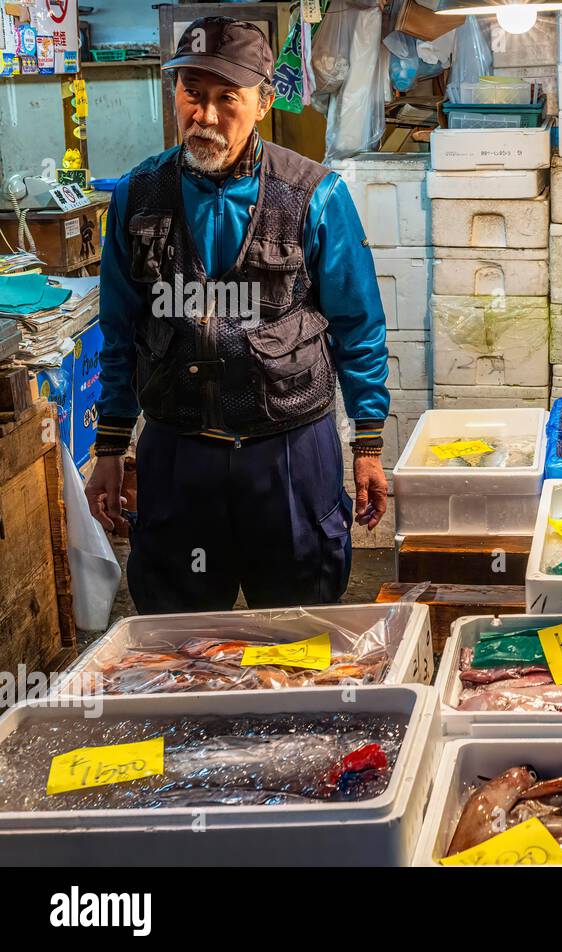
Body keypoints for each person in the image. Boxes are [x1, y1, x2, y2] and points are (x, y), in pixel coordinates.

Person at [85, 16, 390, 614]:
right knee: (178, 641)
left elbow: (358, 325)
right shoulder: (136, 195)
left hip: (288, 454)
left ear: (263, 100)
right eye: (191, 94)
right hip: (178, 453)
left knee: (301, 629)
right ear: (173, 92)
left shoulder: (313, 195)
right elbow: (119, 332)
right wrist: (109, 449)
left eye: (228, 98)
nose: (206, 116)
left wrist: (368, 444)